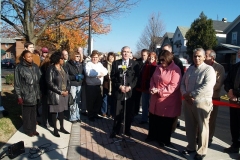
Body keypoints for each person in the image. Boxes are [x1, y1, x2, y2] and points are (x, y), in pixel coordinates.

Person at [181, 48, 216, 160]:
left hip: (202, 103)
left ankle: (201, 151)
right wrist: (185, 94)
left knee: (202, 128)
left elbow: (207, 86)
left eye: (199, 56)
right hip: (188, 103)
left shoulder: (208, 70)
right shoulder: (190, 69)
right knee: (190, 127)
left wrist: (191, 94)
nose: (197, 58)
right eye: (195, 56)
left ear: (204, 57)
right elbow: (182, 83)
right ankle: (191, 147)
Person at [145, 50, 182, 147]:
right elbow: (152, 79)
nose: (161, 62)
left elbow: (174, 86)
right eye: (160, 60)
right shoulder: (158, 68)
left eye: (163, 60)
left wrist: (159, 91)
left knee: (165, 122)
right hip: (155, 99)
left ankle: (164, 140)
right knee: (154, 119)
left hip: (168, 99)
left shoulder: (175, 69)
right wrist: (152, 88)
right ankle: (152, 136)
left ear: (168, 59)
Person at [110, 46, 139, 138]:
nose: (125, 53)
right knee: (118, 113)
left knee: (129, 113)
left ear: (130, 53)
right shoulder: (115, 63)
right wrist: (119, 86)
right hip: (119, 92)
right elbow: (113, 77)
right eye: (124, 52)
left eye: (127, 52)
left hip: (130, 93)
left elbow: (136, 78)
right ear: (121, 53)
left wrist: (130, 87)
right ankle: (115, 130)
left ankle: (127, 131)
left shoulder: (135, 64)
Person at [14, 50, 41, 137]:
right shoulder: (19, 68)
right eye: (28, 57)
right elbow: (17, 84)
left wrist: (40, 92)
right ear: (24, 57)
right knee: (26, 114)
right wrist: (19, 96)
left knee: (34, 113)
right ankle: (28, 130)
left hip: (35, 93)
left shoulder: (35, 66)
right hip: (26, 94)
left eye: (31, 56)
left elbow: (39, 79)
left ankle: (33, 129)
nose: (30, 58)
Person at [46, 51, 70, 137]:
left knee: (62, 111)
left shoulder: (64, 68)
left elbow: (68, 80)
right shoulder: (51, 69)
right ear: (57, 59)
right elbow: (49, 83)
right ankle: (55, 129)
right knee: (54, 112)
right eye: (62, 58)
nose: (63, 60)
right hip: (55, 94)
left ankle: (62, 127)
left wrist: (67, 89)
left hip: (64, 93)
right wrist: (60, 92)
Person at [204, 49, 225, 146]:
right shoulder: (202, 66)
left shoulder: (219, 68)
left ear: (212, 57)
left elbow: (218, 84)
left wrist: (205, 89)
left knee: (211, 120)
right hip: (202, 97)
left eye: (206, 55)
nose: (204, 57)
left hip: (213, 97)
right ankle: (200, 137)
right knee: (202, 118)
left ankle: (209, 138)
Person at [223, 48, 240, 153]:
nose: (239, 53)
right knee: (234, 124)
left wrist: (236, 94)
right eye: (238, 52)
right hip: (233, 101)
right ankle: (235, 145)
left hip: (237, 98)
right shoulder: (235, 67)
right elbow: (227, 81)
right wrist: (229, 90)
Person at [84, 50, 108, 122]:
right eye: (93, 57)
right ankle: (90, 115)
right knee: (91, 102)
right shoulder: (88, 64)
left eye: (96, 57)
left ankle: (95, 114)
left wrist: (100, 73)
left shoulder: (100, 64)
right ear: (91, 57)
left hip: (98, 86)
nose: (95, 59)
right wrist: (98, 74)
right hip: (90, 86)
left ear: (98, 58)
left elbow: (105, 71)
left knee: (98, 101)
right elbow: (89, 73)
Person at [138, 52, 157, 124]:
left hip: (152, 88)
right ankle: (144, 119)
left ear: (155, 59)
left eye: (152, 57)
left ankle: (151, 118)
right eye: (149, 57)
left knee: (151, 105)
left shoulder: (156, 66)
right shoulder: (145, 65)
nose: (150, 59)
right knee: (144, 104)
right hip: (144, 87)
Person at [65, 51, 84, 123]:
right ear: (73, 56)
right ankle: (72, 117)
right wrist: (74, 77)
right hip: (72, 84)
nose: (78, 58)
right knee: (72, 101)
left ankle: (77, 116)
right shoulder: (68, 64)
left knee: (78, 101)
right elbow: (67, 76)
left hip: (79, 84)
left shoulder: (80, 64)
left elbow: (82, 73)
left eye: (79, 56)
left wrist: (82, 76)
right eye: (76, 56)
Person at [134, 49, 149, 115]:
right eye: (142, 55)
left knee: (146, 101)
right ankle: (135, 112)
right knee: (136, 100)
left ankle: (145, 114)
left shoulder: (149, 62)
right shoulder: (137, 61)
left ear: (147, 55)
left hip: (146, 85)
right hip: (138, 84)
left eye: (144, 55)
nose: (143, 57)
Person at [40, 52, 53, 128]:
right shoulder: (44, 67)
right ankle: (45, 122)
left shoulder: (50, 67)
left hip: (47, 90)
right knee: (46, 107)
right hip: (46, 90)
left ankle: (48, 121)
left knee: (48, 107)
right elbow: (42, 80)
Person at [102, 52, 116, 118]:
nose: (111, 58)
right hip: (106, 84)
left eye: (112, 57)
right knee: (105, 98)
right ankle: (104, 111)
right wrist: (108, 77)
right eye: (110, 57)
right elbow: (103, 73)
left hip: (113, 84)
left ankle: (111, 113)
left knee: (112, 100)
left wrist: (112, 78)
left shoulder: (116, 64)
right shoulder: (104, 64)